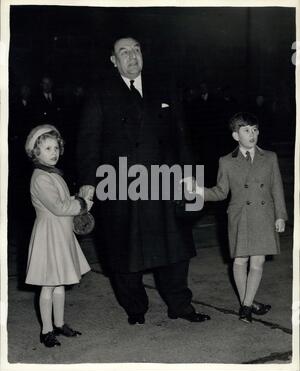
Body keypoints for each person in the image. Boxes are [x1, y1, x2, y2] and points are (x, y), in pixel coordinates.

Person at [77, 36, 210, 325]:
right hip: (120, 185)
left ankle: (180, 305)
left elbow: (181, 135)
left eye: (135, 50)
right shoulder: (100, 93)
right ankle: (135, 307)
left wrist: (190, 176)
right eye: (123, 52)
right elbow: (89, 141)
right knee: (124, 251)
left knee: (175, 249)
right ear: (114, 61)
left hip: (165, 183)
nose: (131, 56)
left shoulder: (163, 87)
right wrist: (88, 182)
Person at [192, 112, 288, 323]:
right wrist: (199, 191)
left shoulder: (270, 157)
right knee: (240, 261)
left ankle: (245, 307)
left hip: (263, 215)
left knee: (257, 263)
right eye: (246, 130)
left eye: (255, 129)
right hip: (240, 216)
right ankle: (250, 302)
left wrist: (280, 216)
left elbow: (277, 188)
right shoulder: (226, 162)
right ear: (236, 136)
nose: (252, 134)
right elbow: (221, 192)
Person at [24, 124, 92, 347]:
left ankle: (60, 323)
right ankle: (46, 330)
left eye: (55, 147)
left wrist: (77, 199)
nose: (53, 153)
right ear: (36, 152)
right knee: (48, 284)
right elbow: (59, 207)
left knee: (60, 282)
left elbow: (64, 201)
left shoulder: (52, 174)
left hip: (60, 233)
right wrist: (81, 203)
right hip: (50, 235)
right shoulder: (40, 178)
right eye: (46, 149)